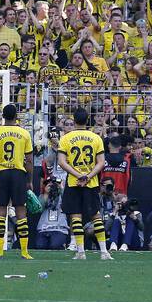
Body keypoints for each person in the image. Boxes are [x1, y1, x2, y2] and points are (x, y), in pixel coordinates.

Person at [0, 102, 34, 259]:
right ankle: (24, 251)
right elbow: (29, 159)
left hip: (1, 173)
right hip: (18, 173)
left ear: (3, 116)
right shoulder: (24, 133)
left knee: (1, 211)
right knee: (20, 211)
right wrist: (29, 180)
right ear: (16, 116)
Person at [56, 106, 111, 260]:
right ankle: (104, 252)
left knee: (76, 217)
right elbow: (101, 162)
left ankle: (80, 252)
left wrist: (78, 175)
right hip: (91, 182)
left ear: (74, 120)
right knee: (96, 216)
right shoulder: (96, 138)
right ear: (88, 120)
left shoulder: (66, 138)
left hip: (74, 182)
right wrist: (88, 176)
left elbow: (61, 162)